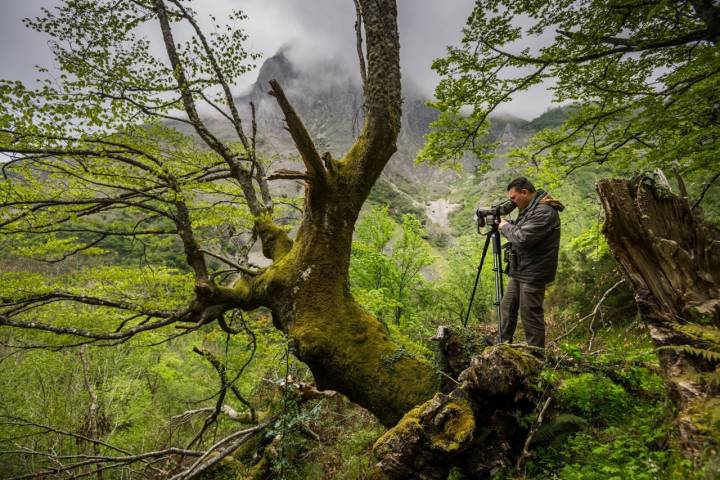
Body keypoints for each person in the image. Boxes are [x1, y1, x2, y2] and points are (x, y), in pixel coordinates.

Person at [497, 177, 564, 348]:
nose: (511, 202)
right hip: (521, 268)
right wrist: (507, 223)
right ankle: (502, 343)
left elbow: (522, 238)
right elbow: (522, 228)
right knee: (507, 306)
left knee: (529, 313)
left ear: (524, 192)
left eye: (513, 197)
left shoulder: (544, 211)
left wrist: (504, 226)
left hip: (534, 272)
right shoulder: (530, 208)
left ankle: (536, 352)